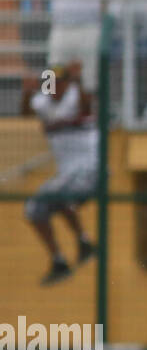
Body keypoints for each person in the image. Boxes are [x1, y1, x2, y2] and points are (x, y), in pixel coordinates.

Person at [22, 64, 98, 286]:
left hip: (90, 170)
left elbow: (86, 108)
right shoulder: (43, 101)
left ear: (67, 83)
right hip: (67, 175)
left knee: (57, 193)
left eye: (59, 82)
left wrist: (79, 79)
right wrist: (27, 91)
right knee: (33, 209)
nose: (54, 87)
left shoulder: (76, 96)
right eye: (50, 83)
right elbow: (25, 113)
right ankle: (60, 259)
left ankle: (83, 242)